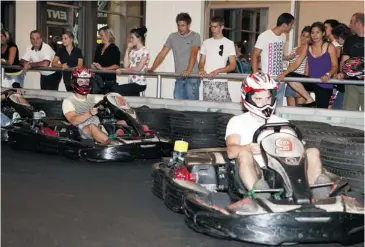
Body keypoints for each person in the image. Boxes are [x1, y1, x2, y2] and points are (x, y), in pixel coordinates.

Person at [225, 72, 331, 199]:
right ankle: (260, 194)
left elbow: (297, 148)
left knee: (313, 151)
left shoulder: (283, 123)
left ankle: (313, 195)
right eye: (258, 99)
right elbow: (231, 151)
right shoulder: (237, 121)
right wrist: (249, 147)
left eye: (267, 98)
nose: (264, 103)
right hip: (257, 169)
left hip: (283, 169)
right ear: (247, 98)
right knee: (243, 154)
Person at [279, 22, 338, 109]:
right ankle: (309, 99)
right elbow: (297, 62)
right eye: (312, 32)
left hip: (324, 83)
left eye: (317, 32)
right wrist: (285, 73)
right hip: (311, 81)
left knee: (321, 112)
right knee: (289, 76)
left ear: (323, 33)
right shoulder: (308, 46)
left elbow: (335, 66)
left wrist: (328, 75)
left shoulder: (330, 47)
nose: (315, 35)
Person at [62, 67, 120, 146]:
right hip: (82, 131)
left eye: (86, 81)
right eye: (81, 81)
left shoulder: (93, 97)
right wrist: (89, 113)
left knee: (122, 122)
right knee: (92, 127)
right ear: (74, 83)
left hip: (99, 126)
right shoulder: (68, 101)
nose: (84, 84)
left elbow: (108, 98)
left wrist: (117, 99)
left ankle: (131, 137)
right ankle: (112, 143)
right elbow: (73, 120)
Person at [149, 13, 201, 100]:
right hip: (179, 76)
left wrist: (188, 70)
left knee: (192, 106)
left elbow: (194, 53)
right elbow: (162, 53)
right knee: (177, 104)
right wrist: (152, 69)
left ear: (189, 25)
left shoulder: (195, 36)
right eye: (178, 25)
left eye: (183, 25)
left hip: (193, 76)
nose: (180, 28)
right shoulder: (172, 37)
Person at [251, 13, 295, 107]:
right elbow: (255, 55)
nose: (292, 27)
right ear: (284, 25)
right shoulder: (264, 36)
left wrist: (287, 57)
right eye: (291, 24)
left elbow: (278, 54)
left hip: (280, 78)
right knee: (267, 106)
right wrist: (255, 76)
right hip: (268, 79)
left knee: (278, 107)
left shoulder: (283, 36)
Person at [199, 16, 236, 102]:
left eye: (215, 27)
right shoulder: (206, 42)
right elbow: (201, 61)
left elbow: (233, 65)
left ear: (222, 27)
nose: (212, 29)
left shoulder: (229, 43)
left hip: (221, 80)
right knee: (209, 109)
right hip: (207, 80)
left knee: (224, 109)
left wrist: (217, 71)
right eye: (211, 26)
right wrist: (201, 69)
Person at [336, 13, 364, 111]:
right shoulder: (349, 40)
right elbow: (344, 61)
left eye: (351, 22)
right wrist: (342, 73)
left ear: (358, 23)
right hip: (351, 84)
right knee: (349, 116)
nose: (349, 25)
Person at [116, 26, 149, 96]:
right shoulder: (132, 51)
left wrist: (123, 70)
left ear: (139, 38)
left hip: (140, 83)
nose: (130, 40)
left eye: (132, 37)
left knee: (116, 89)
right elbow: (126, 65)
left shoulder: (144, 51)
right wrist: (128, 49)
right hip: (132, 82)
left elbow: (138, 68)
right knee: (133, 101)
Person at [284, 26, 312, 107]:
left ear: (310, 38)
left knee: (299, 113)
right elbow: (290, 66)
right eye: (303, 35)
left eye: (307, 37)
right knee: (290, 114)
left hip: (301, 83)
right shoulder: (295, 49)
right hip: (290, 82)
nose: (304, 38)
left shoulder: (310, 50)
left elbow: (307, 70)